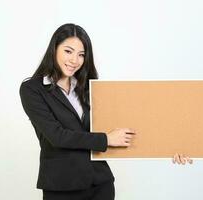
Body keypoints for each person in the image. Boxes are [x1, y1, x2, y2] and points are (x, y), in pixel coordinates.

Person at [19, 23, 192, 200]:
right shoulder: (32, 89)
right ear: (54, 49)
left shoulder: (88, 87)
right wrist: (106, 139)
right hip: (62, 186)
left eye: (81, 55)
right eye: (68, 51)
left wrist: (173, 146)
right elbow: (57, 136)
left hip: (100, 184)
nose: (74, 60)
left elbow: (128, 124)